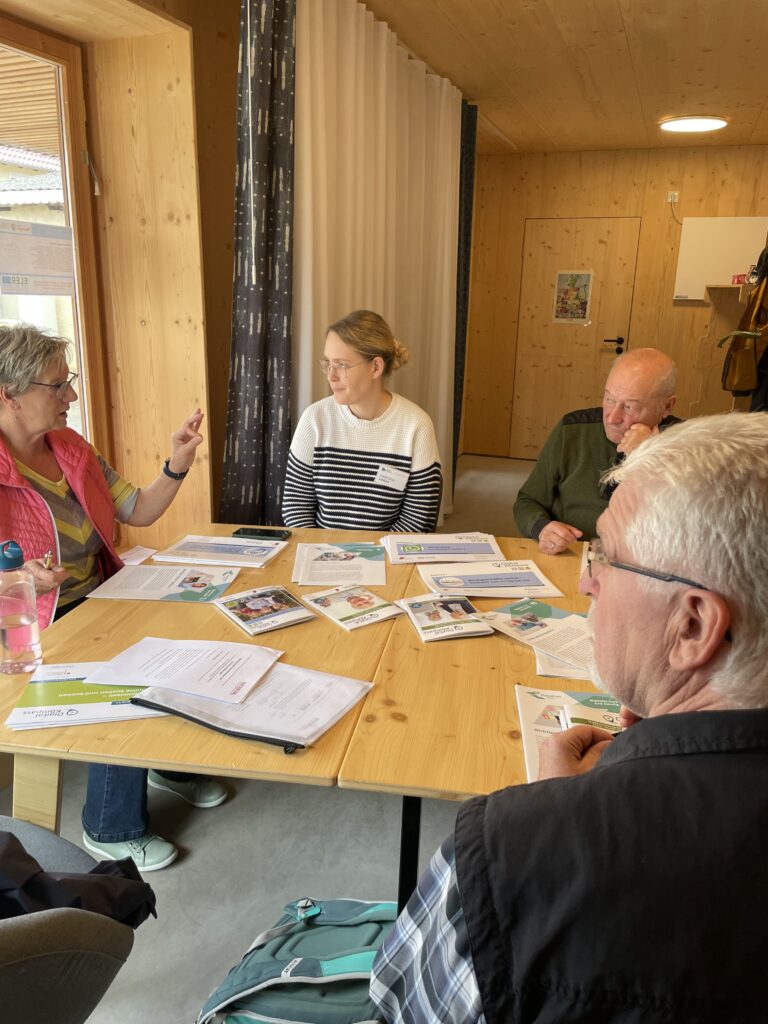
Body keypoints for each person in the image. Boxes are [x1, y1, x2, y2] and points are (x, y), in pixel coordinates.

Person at [371, 412, 768, 1023]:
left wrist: (558, 830)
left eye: (606, 555)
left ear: (692, 625)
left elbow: (393, 1010)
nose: (586, 581)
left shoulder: (503, 846)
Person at [0, 324, 227, 872]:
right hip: (25, 627)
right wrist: (14, 578)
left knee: (190, 628)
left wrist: (177, 462)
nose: (71, 397)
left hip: (97, 593)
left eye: (69, 382)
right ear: (8, 394)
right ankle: (110, 825)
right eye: (57, 387)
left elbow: (138, 510)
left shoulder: (72, 448)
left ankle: (160, 761)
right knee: (117, 668)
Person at [282, 310, 442, 532]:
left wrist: (368, 559)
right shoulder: (314, 419)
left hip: (387, 559)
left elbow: (417, 521)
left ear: (376, 367)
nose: (331, 375)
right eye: (328, 363)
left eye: (342, 365)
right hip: (321, 556)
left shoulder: (416, 426)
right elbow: (295, 508)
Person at [513, 348, 679, 553]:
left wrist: (650, 455)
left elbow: (694, 526)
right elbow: (528, 501)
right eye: (609, 399)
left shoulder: (688, 445)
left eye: (629, 407)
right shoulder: (572, 430)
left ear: (666, 407)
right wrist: (542, 528)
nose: (611, 418)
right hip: (573, 552)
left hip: (645, 562)